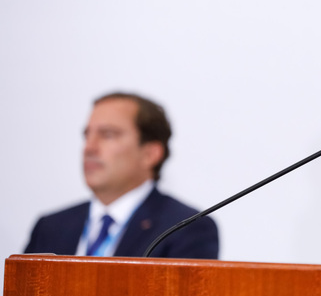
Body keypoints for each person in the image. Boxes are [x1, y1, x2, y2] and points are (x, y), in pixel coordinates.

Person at [25, 92, 219, 259]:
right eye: (87, 135)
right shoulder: (50, 227)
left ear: (150, 154)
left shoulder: (185, 229)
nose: (89, 148)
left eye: (108, 135)